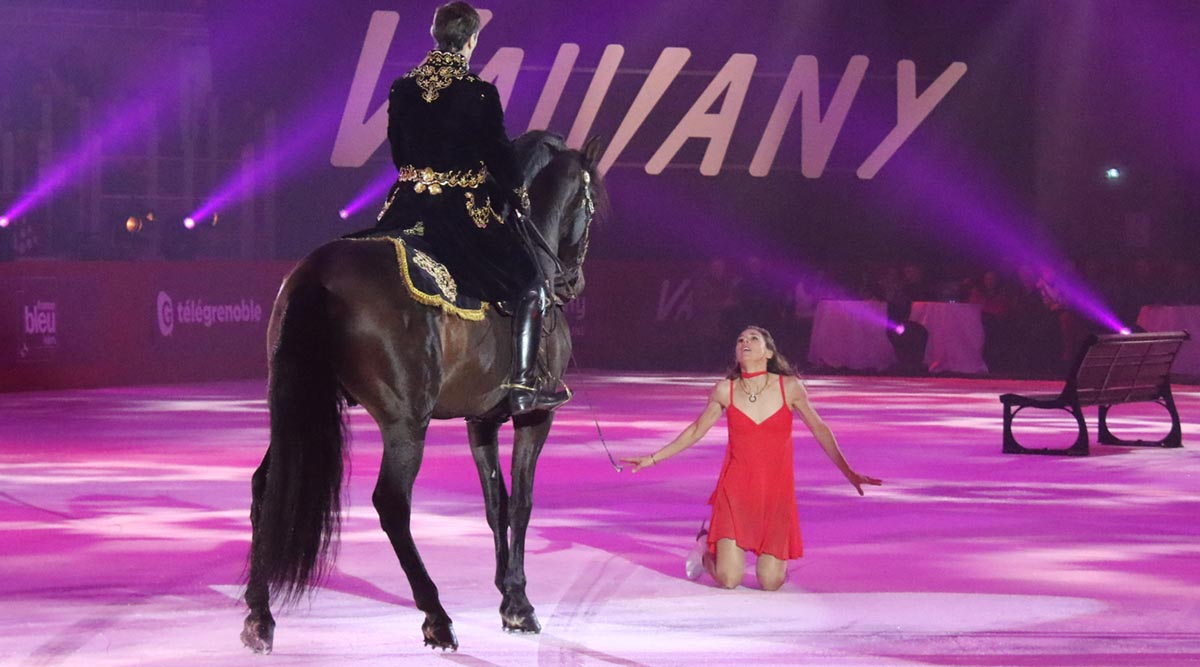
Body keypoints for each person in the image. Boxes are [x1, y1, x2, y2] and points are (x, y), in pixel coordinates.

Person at [376, 1, 567, 414]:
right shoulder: (478, 92)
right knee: (532, 283)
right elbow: (499, 154)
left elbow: (398, 154)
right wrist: (517, 194)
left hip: (404, 209)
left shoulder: (402, 88)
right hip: (459, 215)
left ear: (435, 34)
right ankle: (522, 385)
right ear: (472, 39)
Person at [621, 326, 881, 590]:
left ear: (768, 352)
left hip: (775, 494)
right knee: (729, 579)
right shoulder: (726, 390)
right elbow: (696, 431)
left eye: (753, 338)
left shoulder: (789, 387)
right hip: (735, 491)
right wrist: (652, 459)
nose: (745, 341)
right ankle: (704, 549)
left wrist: (848, 472)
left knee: (770, 583)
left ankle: (770, 560)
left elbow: (820, 430)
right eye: (740, 339)